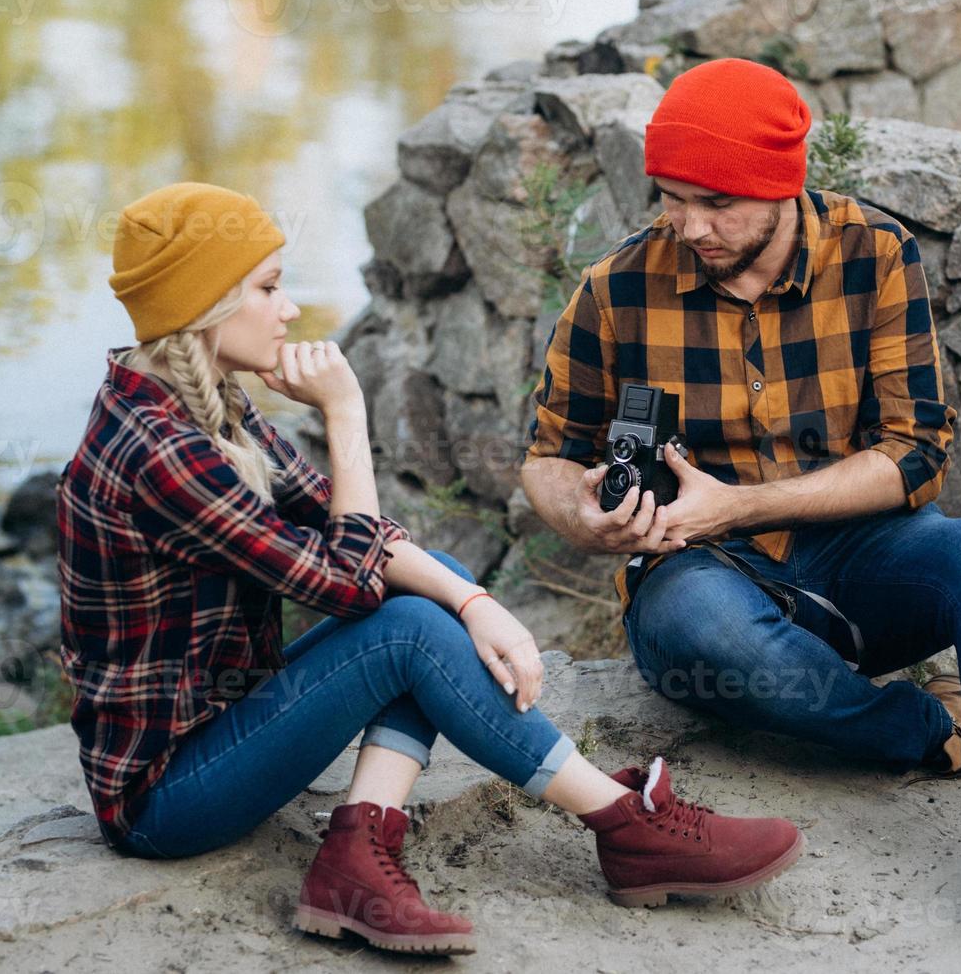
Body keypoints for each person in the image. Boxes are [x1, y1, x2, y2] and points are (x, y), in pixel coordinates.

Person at [520, 58, 961, 948]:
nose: (687, 225)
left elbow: (917, 453)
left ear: (779, 184)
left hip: (856, 558)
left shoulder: (874, 254)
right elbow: (546, 459)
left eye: (715, 202)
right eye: (671, 196)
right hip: (696, 578)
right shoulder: (615, 288)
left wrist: (740, 504)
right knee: (704, 629)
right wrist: (588, 514)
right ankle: (942, 727)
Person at [55, 182, 804, 957]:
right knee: (407, 628)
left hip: (224, 727)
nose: (288, 311)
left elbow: (359, 536)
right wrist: (346, 414)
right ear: (205, 306)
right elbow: (347, 580)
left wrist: (476, 601)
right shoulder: (161, 451)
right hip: (165, 798)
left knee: (430, 582)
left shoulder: (199, 403)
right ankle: (623, 823)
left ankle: (355, 854)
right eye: (268, 289)